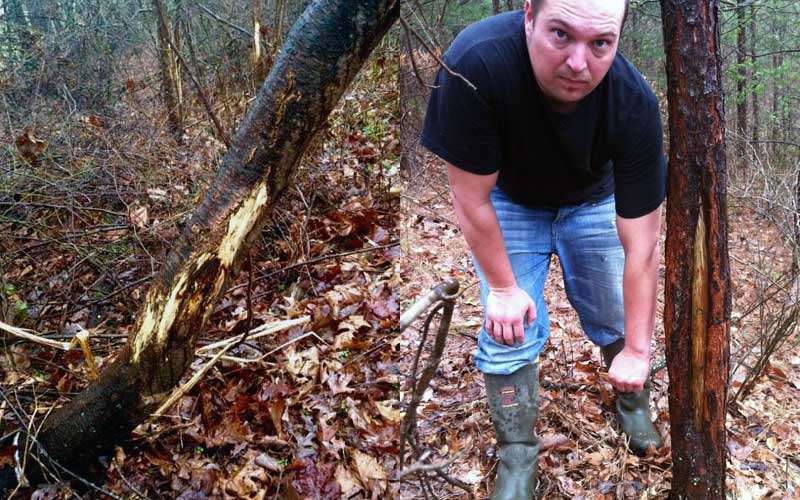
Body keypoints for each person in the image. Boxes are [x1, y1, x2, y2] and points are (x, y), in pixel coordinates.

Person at [420, 0, 666, 497]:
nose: (579, 63)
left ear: (618, 38)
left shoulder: (633, 102)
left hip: (595, 199)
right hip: (508, 202)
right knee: (506, 329)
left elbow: (642, 246)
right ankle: (517, 455)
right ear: (529, 14)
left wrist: (639, 349)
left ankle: (632, 402)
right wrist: (504, 289)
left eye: (600, 44)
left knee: (614, 311)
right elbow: (470, 201)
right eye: (561, 35)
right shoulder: (476, 63)